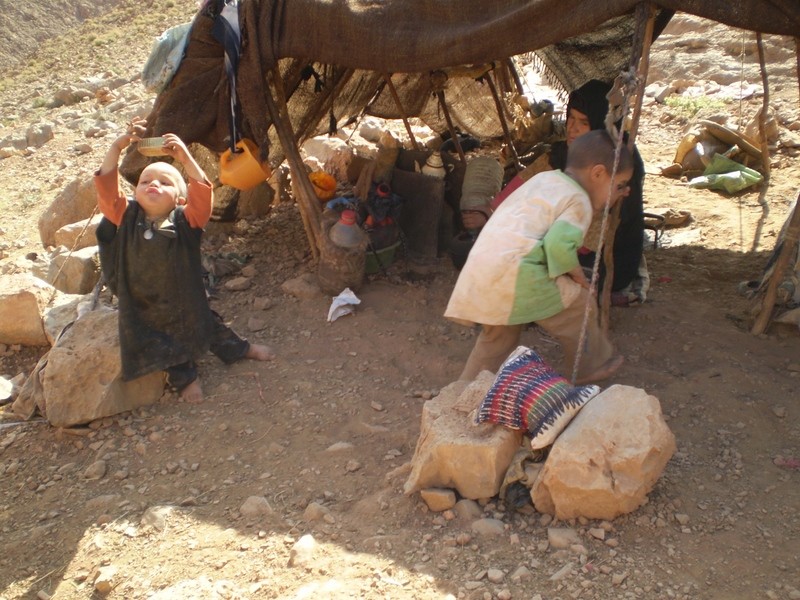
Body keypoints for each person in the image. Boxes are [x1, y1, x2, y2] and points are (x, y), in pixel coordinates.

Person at [94, 117, 274, 403]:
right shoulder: (126, 216)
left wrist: (185, 157)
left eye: (165, 182)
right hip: (146, 305)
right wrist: (117, 147)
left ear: (179, 198)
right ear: (135, 191)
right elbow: (106, 189)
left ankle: (240, 349)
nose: (153, 184)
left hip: (186, 299)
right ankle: (186, 378)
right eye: (145, 181)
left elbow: (202, 192)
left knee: (209, 327)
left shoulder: (185, 221)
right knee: (166, 346)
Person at [445, 129, 632, 383]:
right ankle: (591, 366)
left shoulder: (546, 180)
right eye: (619, 185)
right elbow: (557, 247)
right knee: (579, 305)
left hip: (483, 268)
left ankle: (464, 391)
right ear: (598, 173)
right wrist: (577, 277)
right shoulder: (579, 201)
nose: (621, 194)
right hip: (517, 274)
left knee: (497, 339)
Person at [460, 80, 647, 306]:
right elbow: (527, 180)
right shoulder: (567, 152)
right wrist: (491, 210)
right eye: (571, 119)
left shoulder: (619, 163)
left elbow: (595, 232)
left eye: (583, 122)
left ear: (600, 125)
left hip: (602, 257)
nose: (572, 128)